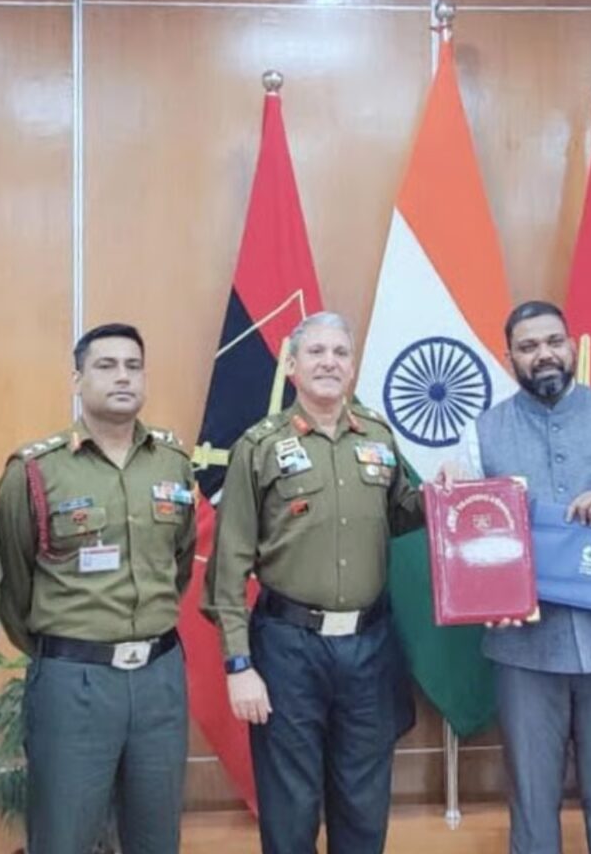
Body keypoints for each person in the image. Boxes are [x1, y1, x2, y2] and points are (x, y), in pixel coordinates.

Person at [439, 300, 591, 854]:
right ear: (510, 359)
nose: (543, 354)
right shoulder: (484, 431)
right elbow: (465, 531)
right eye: (528, 347)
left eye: (553, 341)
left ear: (572, 346)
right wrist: (451, 485)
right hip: (524, 651)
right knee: (530, 801)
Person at [206, 311, 424, 854]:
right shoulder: (258, 446)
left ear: (352, 367)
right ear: (292, 365)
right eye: (316, 352)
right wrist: (239, 666)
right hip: (287, 648)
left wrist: (445, 495)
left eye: (340, 353)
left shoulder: (377, 435)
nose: (330, 362)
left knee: (363, 804)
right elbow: (228, 565)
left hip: (369, 646)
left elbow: (398, 514)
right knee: (291, 808)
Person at [0, 323, 196, 854]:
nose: (122, 377)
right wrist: (66, 649)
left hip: (159, 679)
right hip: (73, 681)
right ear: (78, 379)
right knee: (64, 837)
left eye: (133, 365)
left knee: (157, 838)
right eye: (106, 366)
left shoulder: (173, 462)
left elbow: (177, 566)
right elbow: (13, 585)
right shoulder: (36, 470)